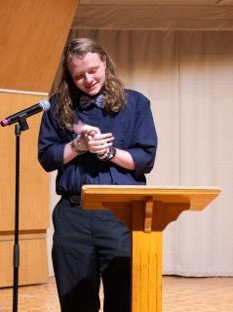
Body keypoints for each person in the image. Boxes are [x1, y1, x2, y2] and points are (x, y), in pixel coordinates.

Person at [38, 38, 158, 312]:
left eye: (93, 70)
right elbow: (47, 158)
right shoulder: (57, 107)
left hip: (121, 213)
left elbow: (145, 159)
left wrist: (108, 152)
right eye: (79, 75)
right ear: (69, 75)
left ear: (105, 62)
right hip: (73, 212)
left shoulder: (136, 103)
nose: (88, 79)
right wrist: (77, 146)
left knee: (124, 296)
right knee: (75, 300)